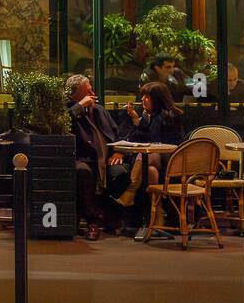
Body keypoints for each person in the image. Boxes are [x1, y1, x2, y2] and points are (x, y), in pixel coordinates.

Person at [118, 80, 183, 239]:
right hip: (154, 164)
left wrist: (144, 122)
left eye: (147, 97)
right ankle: (156, 218)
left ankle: (131, 190)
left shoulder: (170, 116)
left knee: (148, 155)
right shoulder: (149, 116)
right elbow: (140, 138)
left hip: (171, 159)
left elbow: (159, 141)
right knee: (150, 172)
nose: (142, 100)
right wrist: (137, 121)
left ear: (158, 99)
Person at [65, 74, 127, 240]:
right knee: (83, 172)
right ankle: (93, 222)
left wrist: (118, 152)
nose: (92, 93)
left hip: (107, 158)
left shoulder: (99, 110)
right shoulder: (68, 110)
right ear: (74, 95)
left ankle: (112, 217)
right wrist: (79, 106)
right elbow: (62, 123)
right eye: (88, 91)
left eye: (91, 89)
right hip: (82, 158)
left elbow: (117, 134)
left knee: (121, 173)